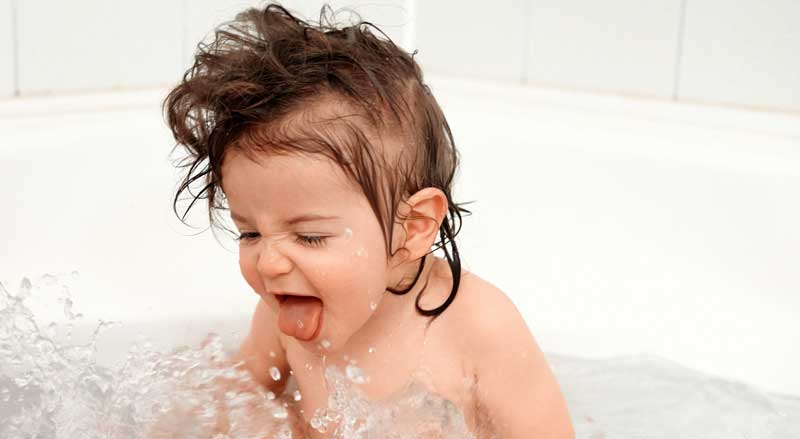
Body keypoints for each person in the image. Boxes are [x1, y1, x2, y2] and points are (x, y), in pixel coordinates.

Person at [162, 3, 574, 438]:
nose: (269, 263)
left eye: (309, 236)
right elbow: (237, 396)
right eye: (250, 233)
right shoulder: (281, 313)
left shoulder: (478, 327)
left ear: (413, 226)